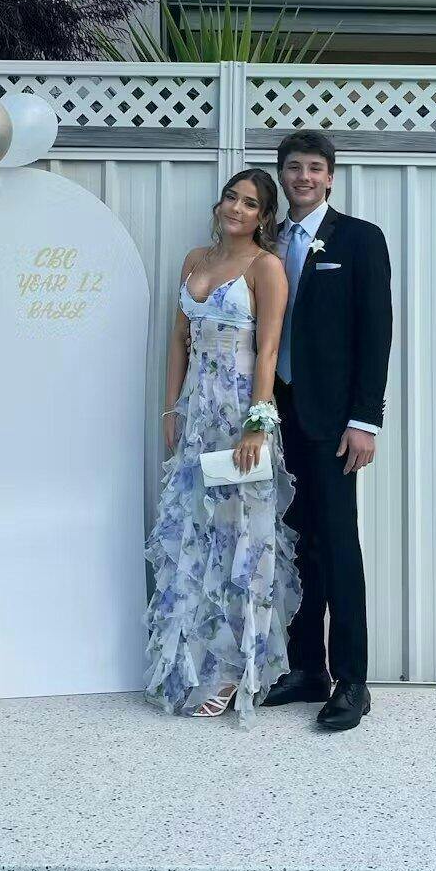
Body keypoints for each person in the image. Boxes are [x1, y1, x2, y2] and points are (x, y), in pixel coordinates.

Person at [144, 168, 301, 724]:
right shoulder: (194, 260)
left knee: (240, 536)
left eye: (251, 203)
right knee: (195, 531)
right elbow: (178, 340)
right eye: (231, 198)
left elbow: (268, 350)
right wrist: (171, 408)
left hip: (239, 417)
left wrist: (257, 424)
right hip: (196, 417)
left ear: (264, 217)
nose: (237, 208)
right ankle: (192, 662)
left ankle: (235, 669)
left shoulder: (266, 267)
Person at [264, 131, 392, 731]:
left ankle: (353, 681)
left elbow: (376, 333)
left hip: (334, 422)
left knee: (339, 544)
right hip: (277, 415)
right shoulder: (269, 240)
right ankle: (306, 668)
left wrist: (365, 420)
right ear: (282, 174)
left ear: (331, 177)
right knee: (296, 543)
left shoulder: (359, 239)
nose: (304, 177)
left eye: (315, 168)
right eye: (294, 167)